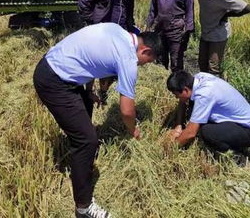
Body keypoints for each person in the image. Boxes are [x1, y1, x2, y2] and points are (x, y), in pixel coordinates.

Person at [33, 23, 162, 218]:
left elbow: (89, 59)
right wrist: (133, 131)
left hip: (53, 64)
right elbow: (127, 111)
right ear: (145, 50)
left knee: (87, 105)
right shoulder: (127, 57)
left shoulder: (117, 31)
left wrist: (88, 92)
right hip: (54, 81)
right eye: (146, 61)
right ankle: (83, 209)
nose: (142, 65)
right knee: (87, 141)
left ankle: (79, 158)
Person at [166, 70, 250, 156]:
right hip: (237, 123)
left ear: (185, 90)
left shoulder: (204, 94)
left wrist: (171, 148)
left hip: (249, 131)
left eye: (176, 95)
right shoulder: (199, 77)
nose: (176, 98)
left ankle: (235, 154)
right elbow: (183, 101)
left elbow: (191, 133)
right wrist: (178, 126)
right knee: (192, 107)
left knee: (207, 132)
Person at [191, 0, 250, 76]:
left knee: (213, 68)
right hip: (206, 31)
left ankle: (214, 91)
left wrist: (226, 14)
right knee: (202, 63)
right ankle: (205, 88)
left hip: (217, 33)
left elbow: (247, 8)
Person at [146, 0, 194, 71]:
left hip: (176, 30)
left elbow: (190, 10)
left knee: (176, 60)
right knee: (160, 58)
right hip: (160, 28)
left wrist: (188, 30)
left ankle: (176, 84)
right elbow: (153, 8)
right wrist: (149, 24)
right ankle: (162, 83)